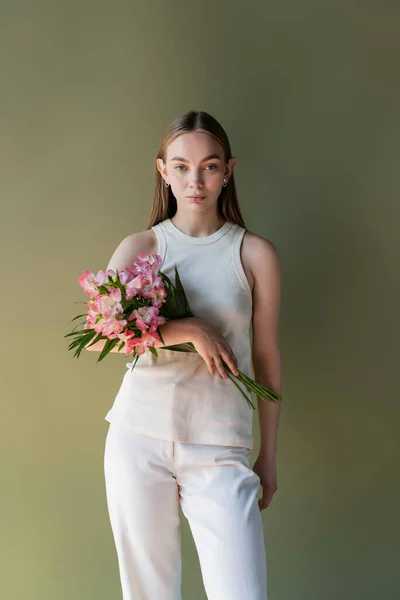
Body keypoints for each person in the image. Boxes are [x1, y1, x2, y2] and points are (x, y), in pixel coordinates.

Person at [87, 110, 283, 600]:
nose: (195, 180)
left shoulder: (255, 254)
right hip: (139, 437)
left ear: (228, 171)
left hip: (220, 444)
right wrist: (186, 329)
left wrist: (269, 456)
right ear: (163, 170)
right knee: (148, 593)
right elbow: (98, 335)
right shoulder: (141, 246)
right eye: (181, 167)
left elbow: (266, 356)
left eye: (209, 166)